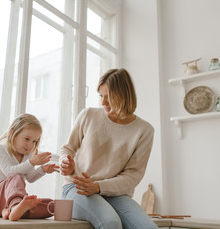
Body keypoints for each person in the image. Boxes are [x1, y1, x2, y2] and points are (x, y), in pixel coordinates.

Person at [59, 68, 158, 229]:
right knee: (110, 222)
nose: (103, 102)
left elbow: (133, 176)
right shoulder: (88, 115)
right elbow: (67, 149)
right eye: (101, 96)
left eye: (109, 97)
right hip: (78, 188)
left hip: (115, 195)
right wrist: (65, 162)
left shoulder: (144, 130)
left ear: (124, 96)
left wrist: (99, 187)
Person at [0, 113, 59, 221]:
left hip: (13, 201)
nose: (30, 145)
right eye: (27, 139)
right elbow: (9, 173)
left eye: (34, 141)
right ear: (12, 134)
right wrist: (32, 162)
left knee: (52, 205)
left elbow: (30, 178)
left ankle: (11, 211)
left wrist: (42, 170)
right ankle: (15, 208)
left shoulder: (27, 154)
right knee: (16, 176)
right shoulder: (0, 150)